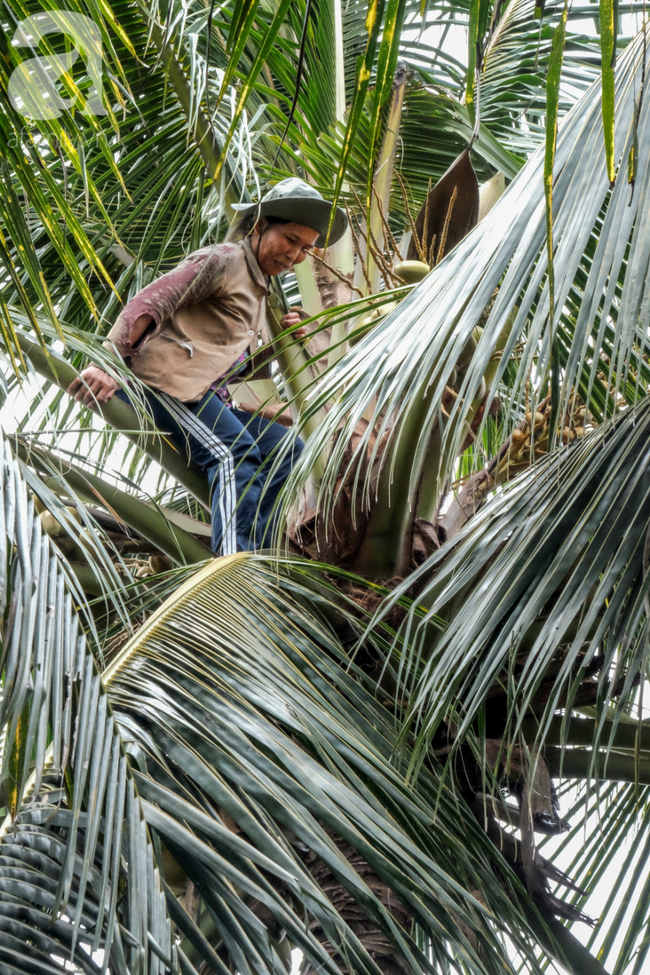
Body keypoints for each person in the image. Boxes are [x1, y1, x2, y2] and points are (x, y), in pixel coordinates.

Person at [67, 178, 348, 555]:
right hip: (162, 385)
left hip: (202, 395)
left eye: (305, 249)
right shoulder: (225, 260)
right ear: (260, 225)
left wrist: (282, 340)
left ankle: (261, 553)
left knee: (287, 449)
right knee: (234, 455)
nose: (294, 255)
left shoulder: (258, 289)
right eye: (291, 239)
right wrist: (106, 363)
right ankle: (234, 564)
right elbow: (150, 303)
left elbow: (233, 367)